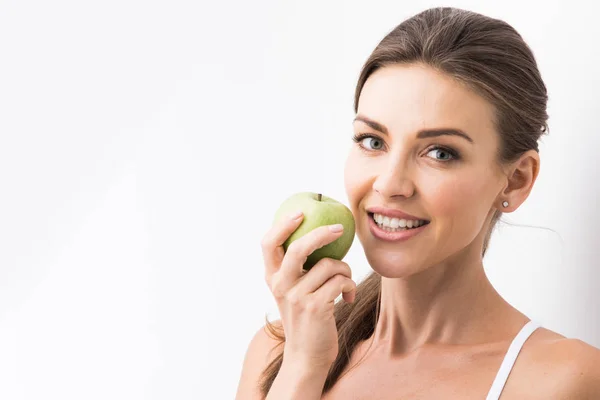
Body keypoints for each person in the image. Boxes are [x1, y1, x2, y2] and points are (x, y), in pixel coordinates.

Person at [236, 6, 600, 399]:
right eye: (373, 142)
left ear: (515, 180)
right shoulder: (279, 351)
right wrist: (303, 368)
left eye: (440, 153)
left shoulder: (562, 379)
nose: (391, 183)